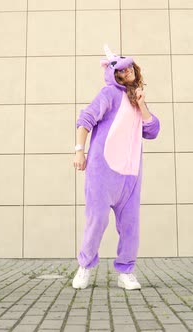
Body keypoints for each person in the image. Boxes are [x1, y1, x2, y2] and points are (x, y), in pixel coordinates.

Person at [72, 45, 160, 290]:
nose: (129, 70)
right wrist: (79, 151)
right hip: (102, 173)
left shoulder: (136, 100)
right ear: (115, 74)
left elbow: (152, 131)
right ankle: (85, 267)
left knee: (131, 227)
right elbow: (85, 120)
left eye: (131, 66)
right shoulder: (109, 94)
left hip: (130, 177)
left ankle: (126, 272)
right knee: (97, 221)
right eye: (123, 68)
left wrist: (142, 104)